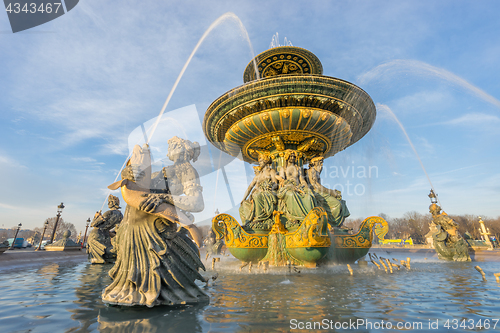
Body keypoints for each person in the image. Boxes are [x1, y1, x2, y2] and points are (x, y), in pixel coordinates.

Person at [102, 137, 208, 307]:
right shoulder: (162, 171)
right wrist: (128, 174)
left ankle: (156, 294)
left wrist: (163, 198)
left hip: (156, 230)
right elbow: (140, 187)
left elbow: (197, 203)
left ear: (182, 150)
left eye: (173, 145)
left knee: (157, 275)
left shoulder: (187, 170)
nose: (169, 147)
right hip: (136, 226)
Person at [306, 156, 350, 227]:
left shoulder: (316, 171)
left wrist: (330, 192)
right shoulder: (312, 171)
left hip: (319, 192)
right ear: (314, 163)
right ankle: (334, 223)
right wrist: (330, 192)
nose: (321, 164)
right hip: (315, 192)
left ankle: (339, 223)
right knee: (337, 204)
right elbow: (316, 185)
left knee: (341, 201)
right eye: (320, 162)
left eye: (322, 162)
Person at [239, 153, 278, 229]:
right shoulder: (259, 175)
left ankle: (259, 218)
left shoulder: (271, 171)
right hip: (259, 193)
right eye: (259, 161)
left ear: (266, 161)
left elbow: (275, 183)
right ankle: (248, 221)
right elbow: (249, 188)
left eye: (261, 161)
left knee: (257, 196)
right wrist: (243, 199)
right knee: (243, 205)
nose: (259, 163)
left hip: (269, 192)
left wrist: (269, 186)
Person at [276, 151, 316, 224]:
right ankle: (295, 217)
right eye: (291, 156)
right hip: (287, 187)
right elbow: (282, 179)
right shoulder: (283, 168)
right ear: (287, 157)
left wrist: (306, 187)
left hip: (298, 187)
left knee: (308, 196)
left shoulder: (298, 168)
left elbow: (302, 180)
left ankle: (310, 218)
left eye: (294, 157)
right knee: (291, 194)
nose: (292, 158)